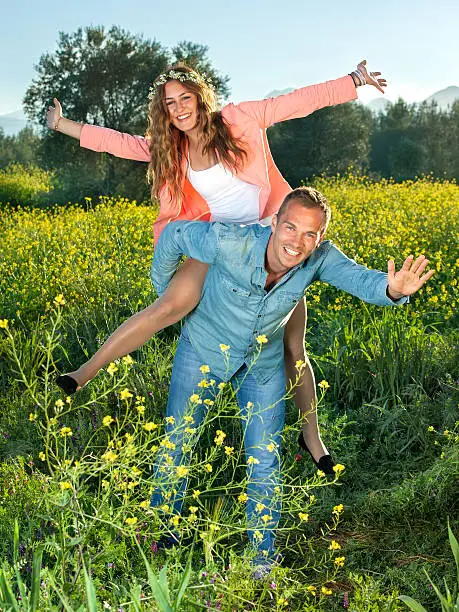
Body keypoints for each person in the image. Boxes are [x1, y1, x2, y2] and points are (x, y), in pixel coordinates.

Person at [49, 60, 387, 472]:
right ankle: (83, 373)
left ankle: (312, 438)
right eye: (169, 103)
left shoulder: (239, 119)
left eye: (184, 98)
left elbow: (295, 103)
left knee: (293, 344)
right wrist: (64, 125)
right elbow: (121, 143)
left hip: (268, 237)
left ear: (200, 97)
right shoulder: (171, 146)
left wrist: (352, 82)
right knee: (168, 308)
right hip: (220, 243)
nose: (178, 109)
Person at [148, 186, 434, 577]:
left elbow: (358, 278)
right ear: (274, 223)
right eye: (291, 228)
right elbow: (175, 235)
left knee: (265, 459)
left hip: (261, 365)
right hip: (202, 349)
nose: (297, 242)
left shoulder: (318, 258)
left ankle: (262, 558)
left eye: (310, 234)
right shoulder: (231, 242)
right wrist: (164, 291)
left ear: (319, 239)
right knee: (177, 441)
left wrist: (392, 290)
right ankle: (162, 535)